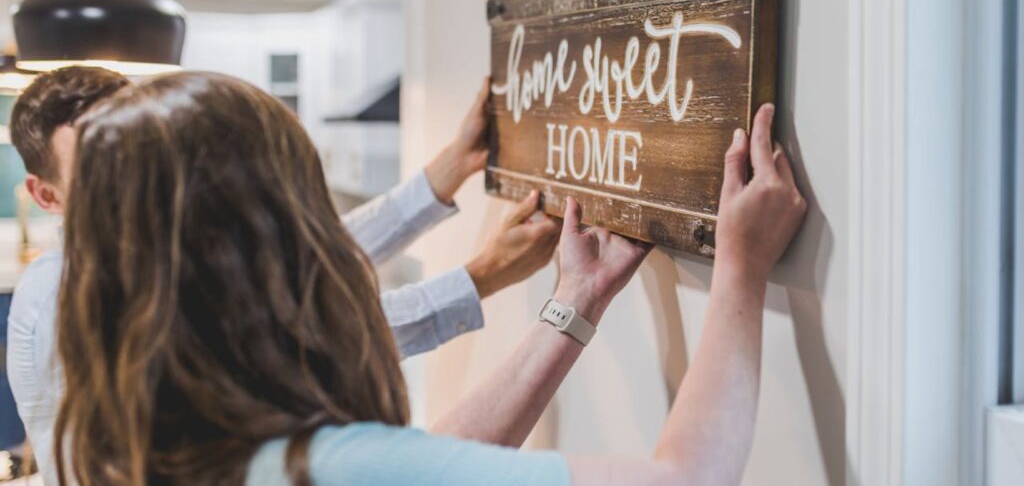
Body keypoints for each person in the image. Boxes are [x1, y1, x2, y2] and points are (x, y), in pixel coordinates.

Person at [55, 72, 806, 486]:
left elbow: (425, 464)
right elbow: (686, 480)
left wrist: (572, 305)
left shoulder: (138, 448)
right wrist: (741, 265)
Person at [6, 67, 559, 486]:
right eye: (111, 166)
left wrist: (451, 167)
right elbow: (287, 335)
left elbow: (292, 257)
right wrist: (481, 277)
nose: (153, 179)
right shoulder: (71, 293)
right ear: (46, 195)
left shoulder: (148, 253)